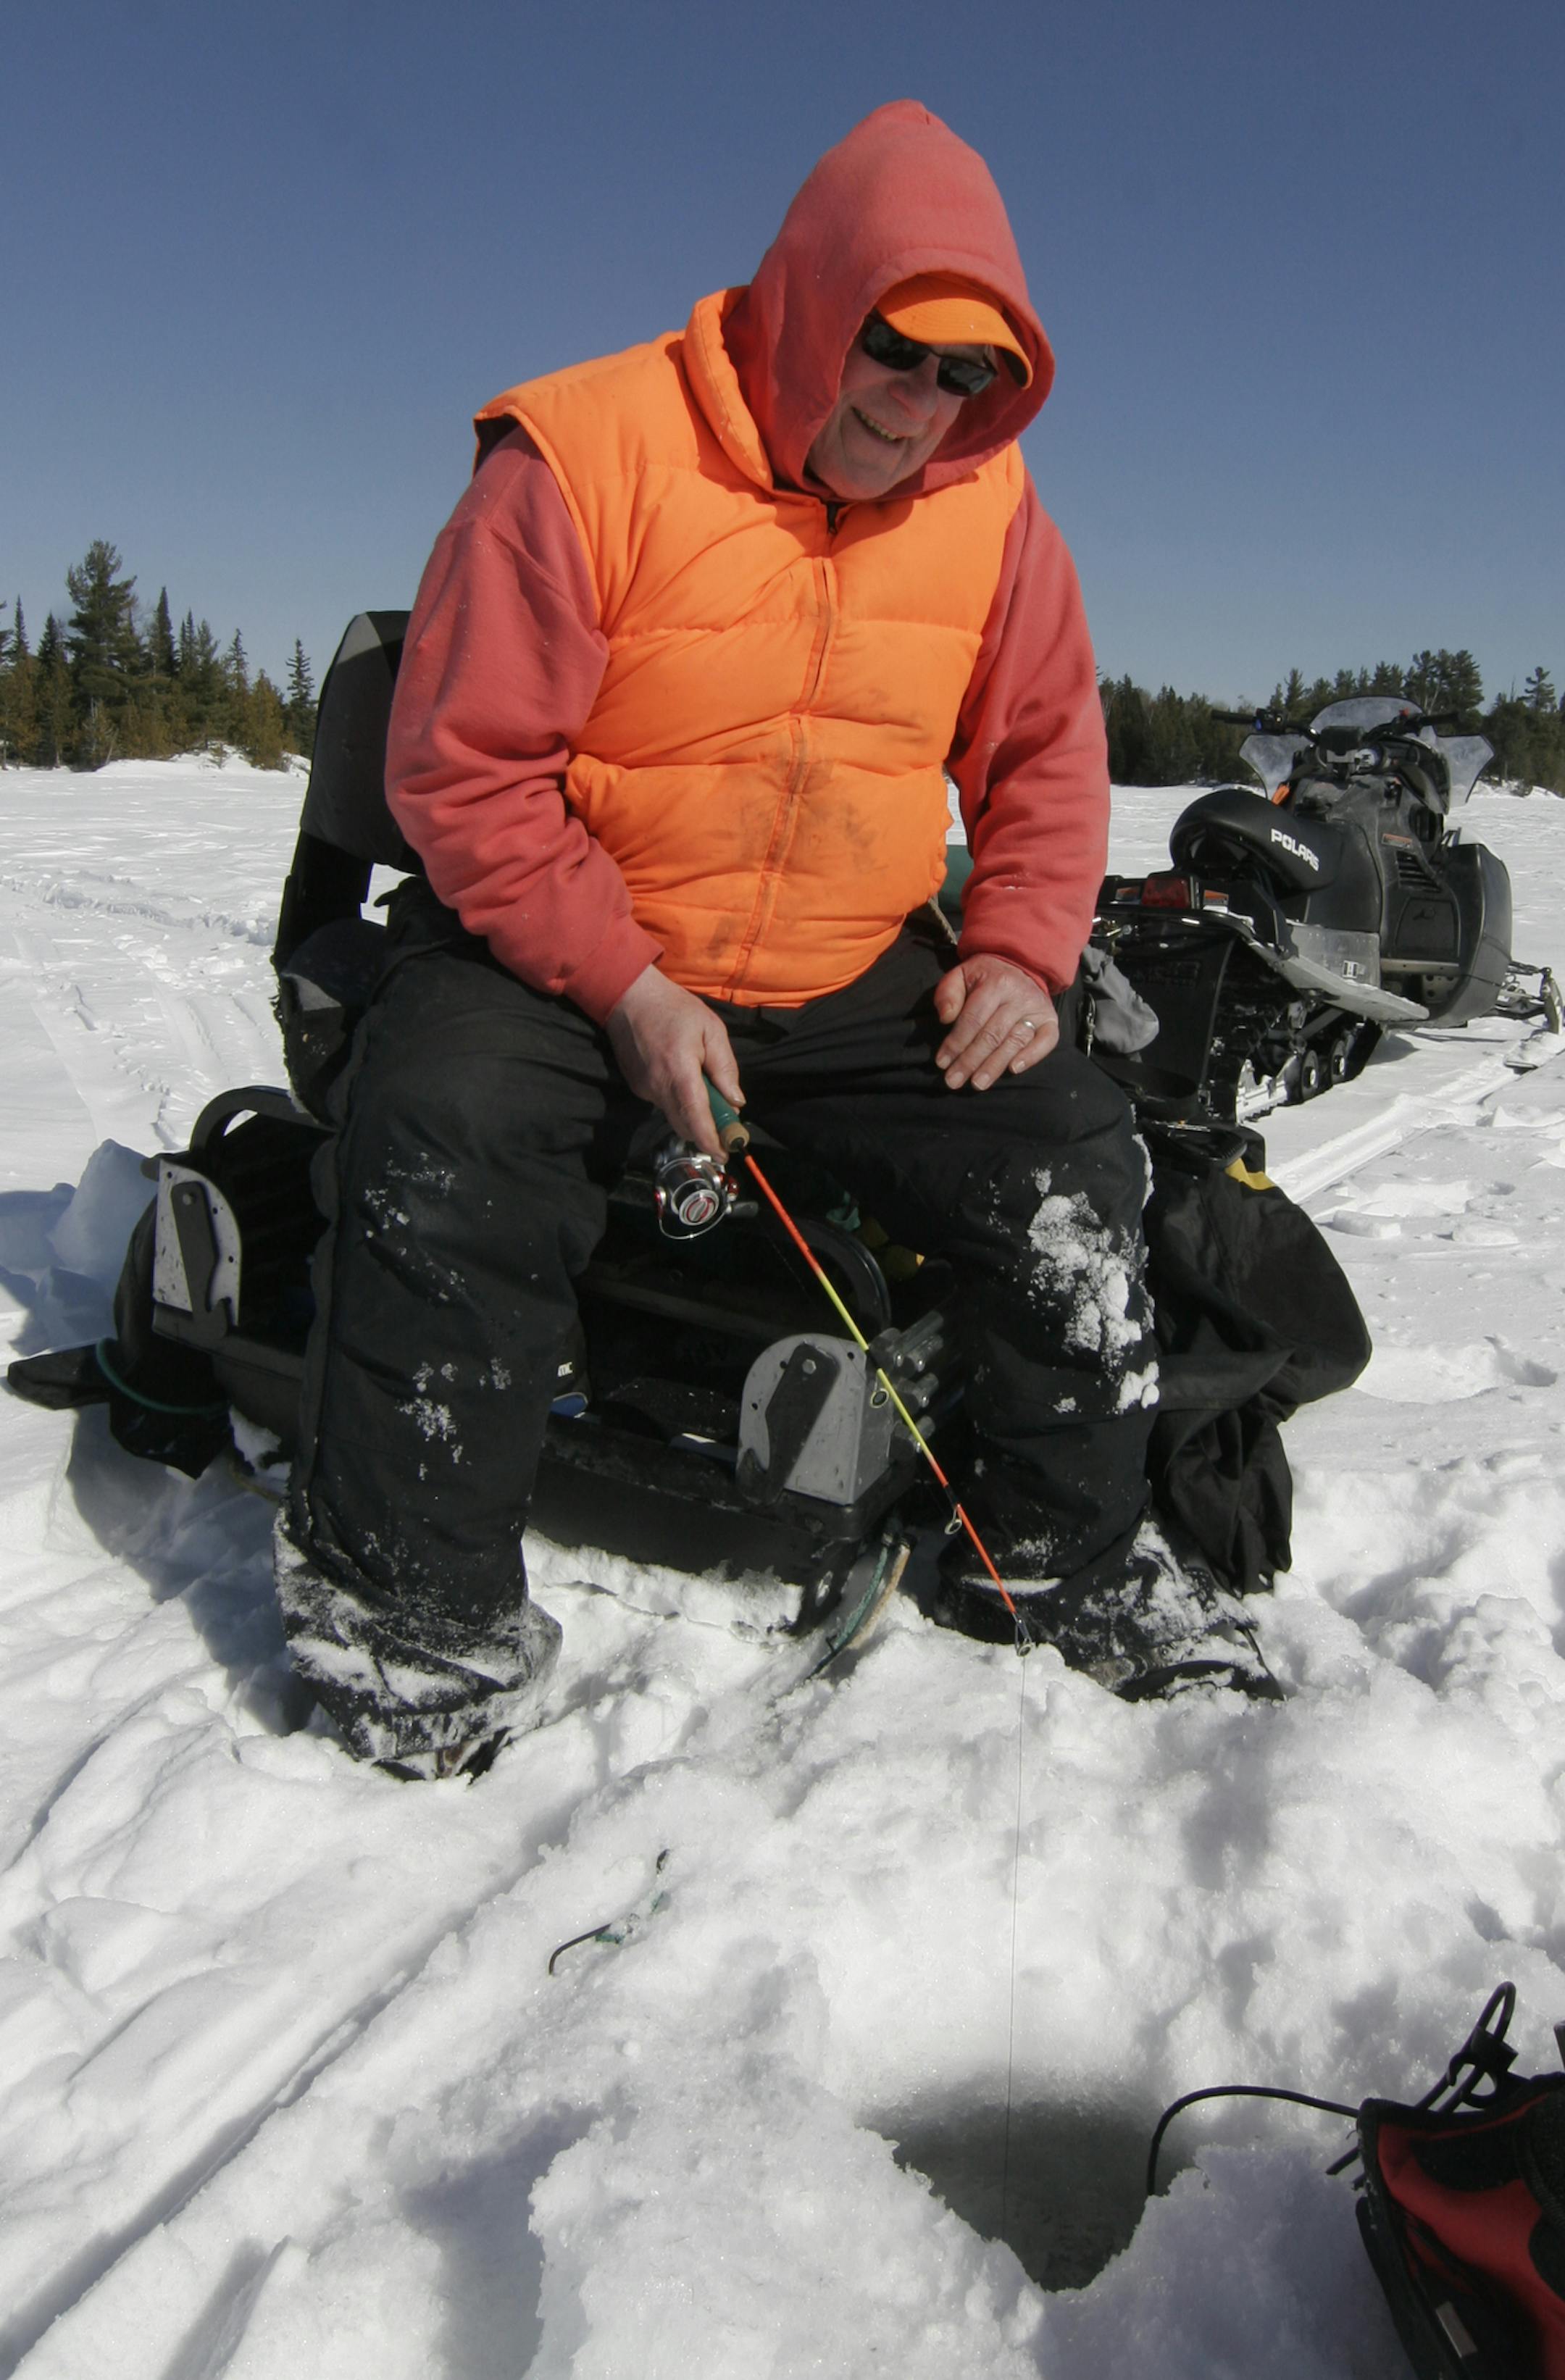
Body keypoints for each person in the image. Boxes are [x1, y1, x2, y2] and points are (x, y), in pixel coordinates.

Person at [276, 100, 1272, 1777]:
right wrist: (631, 985)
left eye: (974, 376)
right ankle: (410, 1622)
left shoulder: (994, 507)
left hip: (837, 964)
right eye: (899, 351)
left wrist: (1022, 951)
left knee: (1076, 1159)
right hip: (568, 939)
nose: (927, 405)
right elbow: (465, 769)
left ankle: (1060, 1554)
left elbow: (1042, 750)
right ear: (816, 301)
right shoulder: (579, 452)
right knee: (440, 1123)